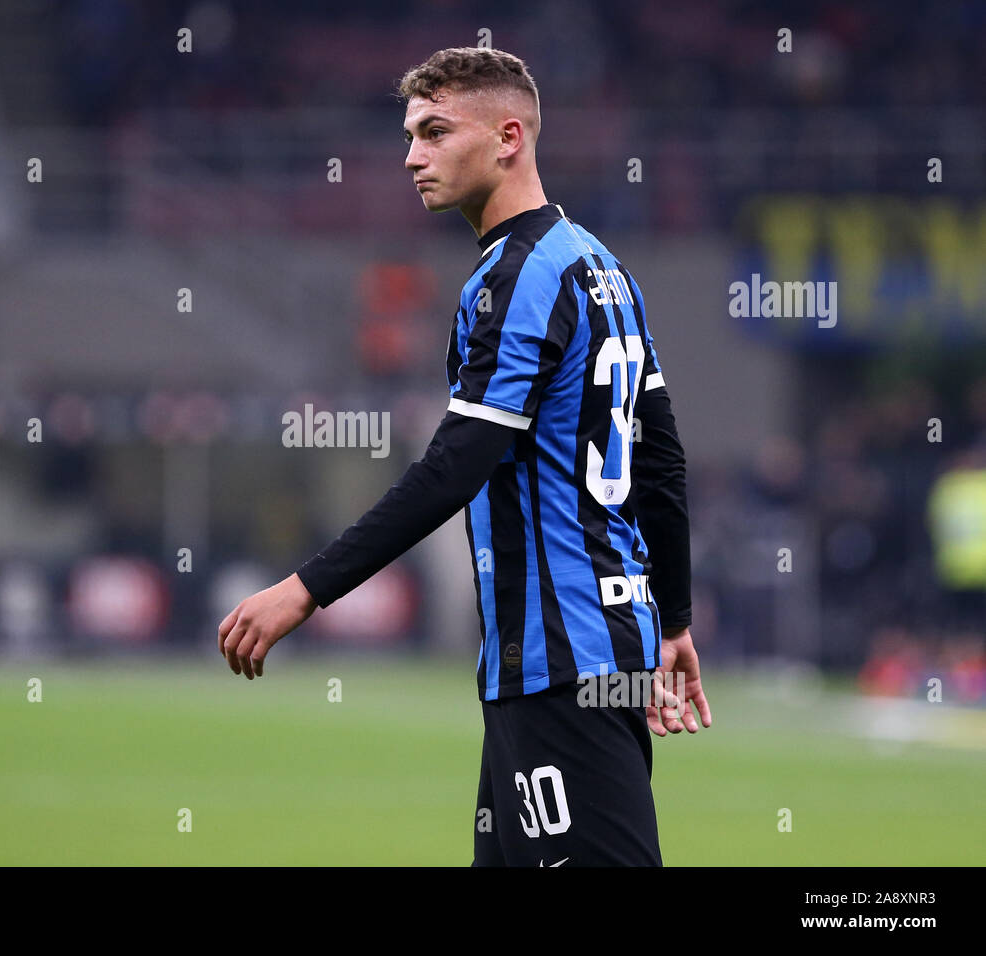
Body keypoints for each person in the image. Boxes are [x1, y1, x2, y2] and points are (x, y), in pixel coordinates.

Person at [218, 47, 711, 866]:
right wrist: (678, 619)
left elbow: (456, 465)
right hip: (586, 650)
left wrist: (306, 590)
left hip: (564, 664)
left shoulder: (515, 280)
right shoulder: (604, 270)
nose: (413, 155)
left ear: (509, 136)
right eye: (411, 134)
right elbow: (661, 464)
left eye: (435, 132)